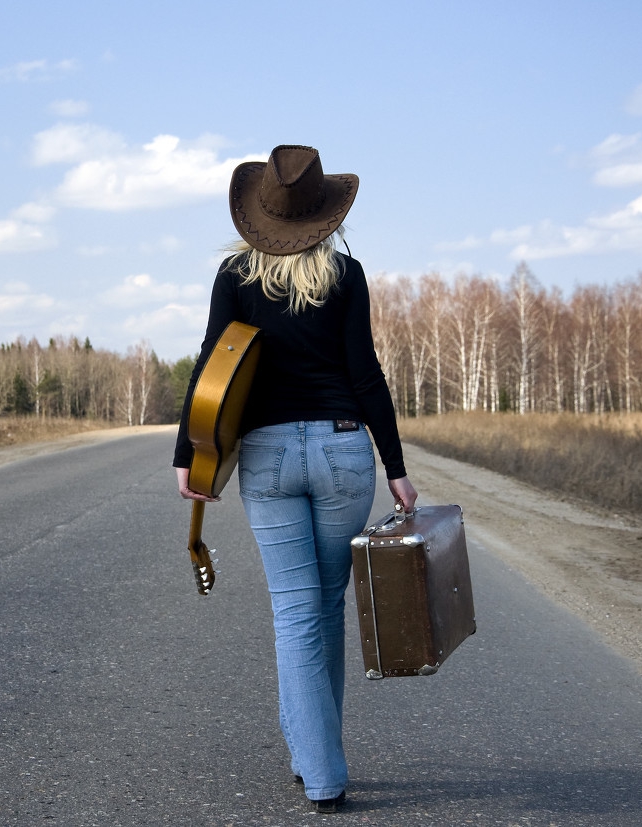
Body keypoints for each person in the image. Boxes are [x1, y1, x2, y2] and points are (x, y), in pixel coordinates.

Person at [173, 144, 417, 814]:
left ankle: (319, 767)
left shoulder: (234, 275)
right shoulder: (348, 273)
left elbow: (210, 368)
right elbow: (364, 371)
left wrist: (186, 454)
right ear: (325, 215)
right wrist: (395, 467)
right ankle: (317, 753)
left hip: (271, 457)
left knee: (295, 610)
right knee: (324, 606)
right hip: (344, 454)